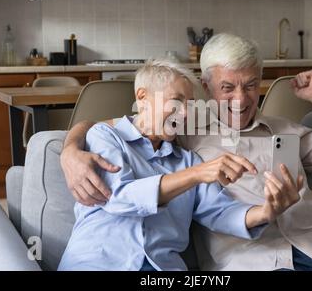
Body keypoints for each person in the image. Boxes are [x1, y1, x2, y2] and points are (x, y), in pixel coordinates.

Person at [61, 34, 312, 271]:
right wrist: (70, 148)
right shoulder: (191, 132)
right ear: (208, 87)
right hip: (255, 260)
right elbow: (131, 126)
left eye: (250, 86)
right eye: (227, 88)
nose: (240, 100)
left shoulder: (280, 130)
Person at [58, 59, 290, 271]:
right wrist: (197, 174)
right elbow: (119, 196)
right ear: (142, 98)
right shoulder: (106, 137)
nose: (186, 113)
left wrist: (264, 212)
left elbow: (220, 211)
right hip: (96, 265)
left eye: (190, 105)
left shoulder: (186, 160)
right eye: (177, 101)